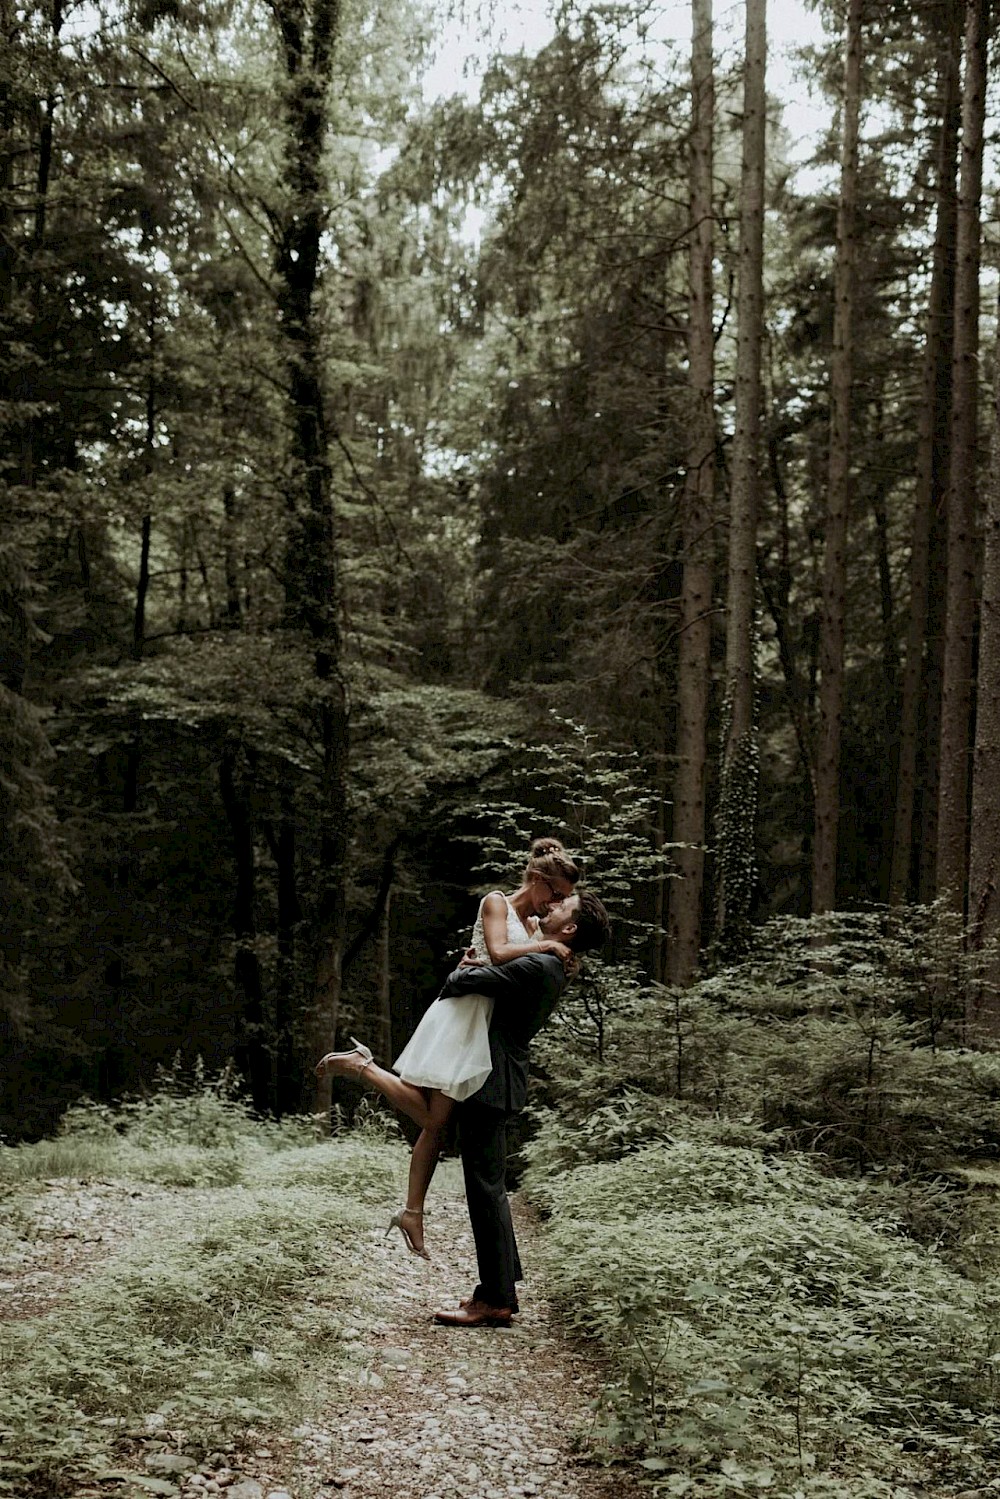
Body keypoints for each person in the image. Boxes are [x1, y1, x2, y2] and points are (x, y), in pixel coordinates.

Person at [314, 838, 580, 1258]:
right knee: (437, 1120)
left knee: (436, 1125)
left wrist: (549, 953)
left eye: (563, 899)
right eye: (557, 894)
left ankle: (412, 1212)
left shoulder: (531, 928)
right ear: (536, 880)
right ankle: (363, 1066)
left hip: (483, 1022)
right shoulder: (497, 903)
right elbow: (497, 952)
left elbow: (514, 970)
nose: (556, 904)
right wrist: (546, 945)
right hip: (462, 1015)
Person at [433, 886, 611, 1327]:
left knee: (484, 1188)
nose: (551, 905)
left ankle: (495, 1298)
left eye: (562, 907)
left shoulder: (540, 963)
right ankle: (499, 1290)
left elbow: (458, 983)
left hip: (491, 1081)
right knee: (488, 1185)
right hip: (499, 1079)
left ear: (568, 928)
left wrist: (464, 967)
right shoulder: (546, 961)